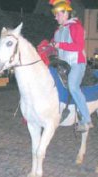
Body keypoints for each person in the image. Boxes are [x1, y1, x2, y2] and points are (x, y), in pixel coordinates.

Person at [49, 0, 92, 132]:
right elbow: (53, 46)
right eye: (55, 14)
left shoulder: (76, 26)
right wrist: (47, 47)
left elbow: (79, 46)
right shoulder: (58, 30)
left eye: (57, 14)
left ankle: (86, 120)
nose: (55, 17)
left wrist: (60, 45)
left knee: (73, 86)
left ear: (65, 14)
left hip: (76, 63)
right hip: (63, 64)